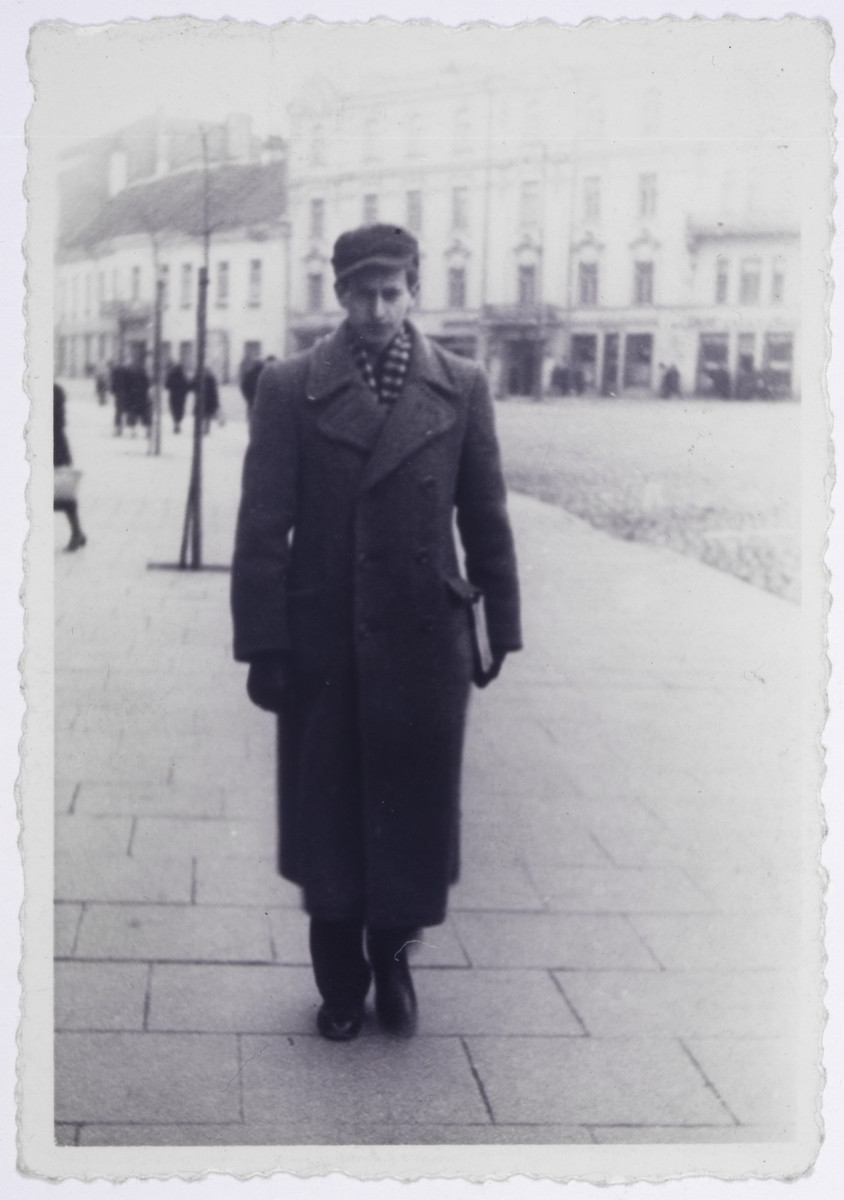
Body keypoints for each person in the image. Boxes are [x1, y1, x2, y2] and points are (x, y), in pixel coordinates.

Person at [231, 224, 522, 1042]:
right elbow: (263, 524)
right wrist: (264, 644)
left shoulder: (461, 384)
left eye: (391, 292)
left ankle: (394, 959)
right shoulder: (290, 386)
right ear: (339, 295)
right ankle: (340, 983)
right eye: (361, 292)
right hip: (326, 639)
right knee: (328, 814)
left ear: (415, 292)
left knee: (410, 812)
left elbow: (486, 512)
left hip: (426, 639)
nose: (376, 308)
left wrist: (501, 624)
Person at [53, 383, 87, 552]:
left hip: (53, 448)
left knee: (61, 493)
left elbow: (57, 423)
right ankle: (77, 532)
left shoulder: (54, 391)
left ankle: (76, 532)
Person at [164, 360, 191, 433]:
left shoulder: (172, 376)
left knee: (174, 410)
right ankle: (178, 423)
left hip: (173, 397)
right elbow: (188, 386)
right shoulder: (184, 377)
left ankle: (176, 423)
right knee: (180, 410)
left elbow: (166, 385)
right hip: (182, 397)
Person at [192, 365, 220, 434]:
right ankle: (203, 430)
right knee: (204, 416)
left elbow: (214, 391)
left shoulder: (204, 379)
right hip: (206, 400)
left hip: (206, 400)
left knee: (205, 416)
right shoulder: (203, 378)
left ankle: (204, 430)